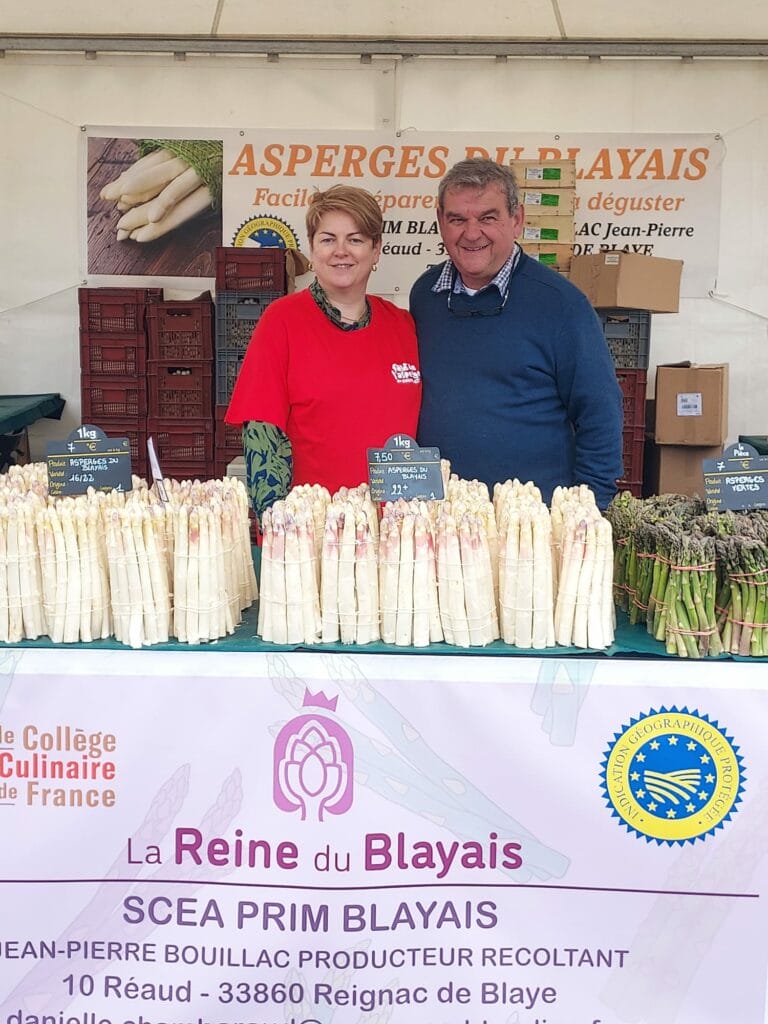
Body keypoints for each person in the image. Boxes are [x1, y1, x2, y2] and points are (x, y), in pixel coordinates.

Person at [410, 158, 623, 509]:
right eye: (457, 219)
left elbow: (600, 413)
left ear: (517, 220)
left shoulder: (561, 304)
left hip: (531, 523)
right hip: (441, 516)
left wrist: (588, 509)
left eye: (488, 218)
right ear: (440, 223)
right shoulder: (425, 295)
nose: (472, 232)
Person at [226, 185, 421, 514]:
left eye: (355, 240)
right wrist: (279, 526)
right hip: (315, 531)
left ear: (376, 251)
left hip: (395, 532)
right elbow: (263, 437)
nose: (341, 251)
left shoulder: (403, 325)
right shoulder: (282, 321)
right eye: (328, 239)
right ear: (313, 250)